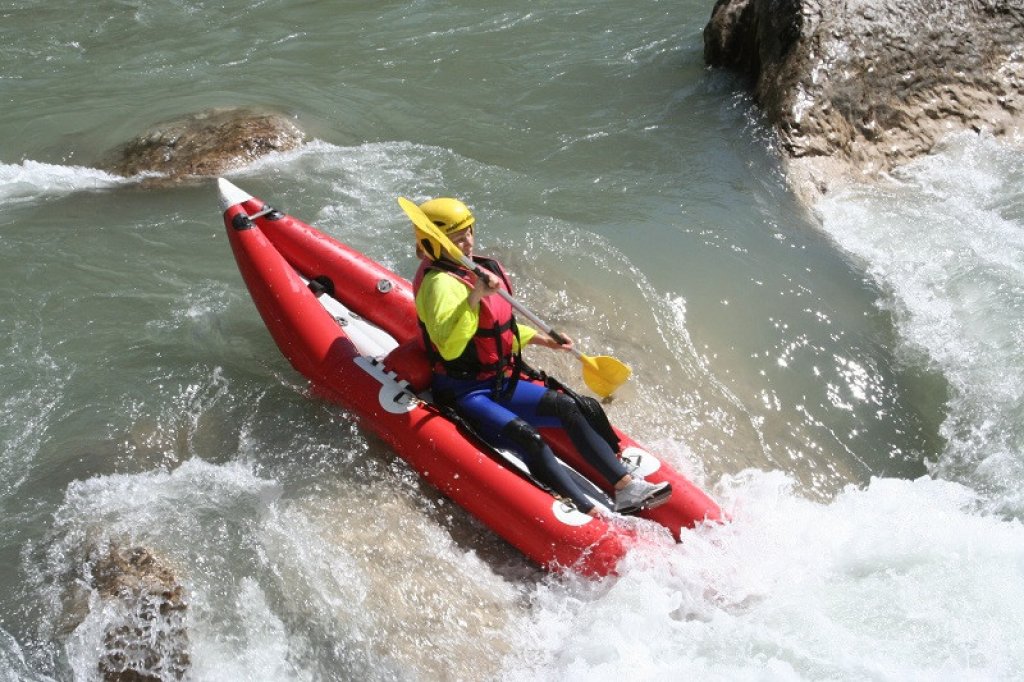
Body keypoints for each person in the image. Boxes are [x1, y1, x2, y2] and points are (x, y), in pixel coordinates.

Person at [410, 197, 671, 516]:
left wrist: (544, 340)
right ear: (433, 242)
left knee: (569, 407)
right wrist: (477, 295)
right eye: (456, 237)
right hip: (465, 392)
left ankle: (626, 487)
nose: (466, 242)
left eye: (468, 233)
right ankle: (589, 512)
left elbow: (495, 330)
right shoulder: (438, 285)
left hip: (499, 382)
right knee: (529, 439)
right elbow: (451, 346)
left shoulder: (479, 269)